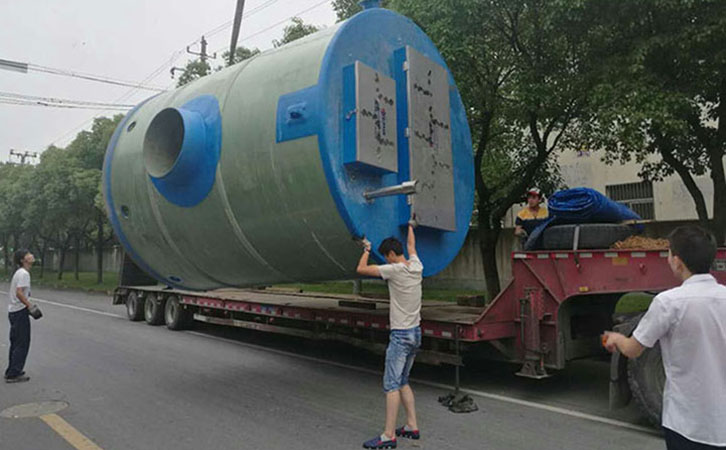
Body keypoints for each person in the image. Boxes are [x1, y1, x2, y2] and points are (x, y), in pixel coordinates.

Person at [604, 226, 726, 449]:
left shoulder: (669, 303)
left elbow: (633, 349)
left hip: (687, 424)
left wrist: (616, 338)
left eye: (669, 253)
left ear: (677, 262)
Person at [357, 221, 422, 450]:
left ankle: (388, 436)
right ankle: (412, 426)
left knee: (392, 385)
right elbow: (412, 246)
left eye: (386, 256)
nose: (386, 260)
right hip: (415, 333)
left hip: (401, 336)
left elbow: (361, 269)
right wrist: (411, 226)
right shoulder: (417, 266)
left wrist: (367, 249)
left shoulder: (394, 270)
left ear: (392, 254)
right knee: (403, 381)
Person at [5, 249, 35, 383]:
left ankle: (12, 369)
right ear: (23, 260)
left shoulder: (19, 272)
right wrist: (30, 306)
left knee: (16, 342)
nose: (31, 255)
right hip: (19, 311)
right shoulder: (24, 274)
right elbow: (19, 293)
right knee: (22, 343)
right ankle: (14, 373)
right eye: (28, 254)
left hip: (14, 311)